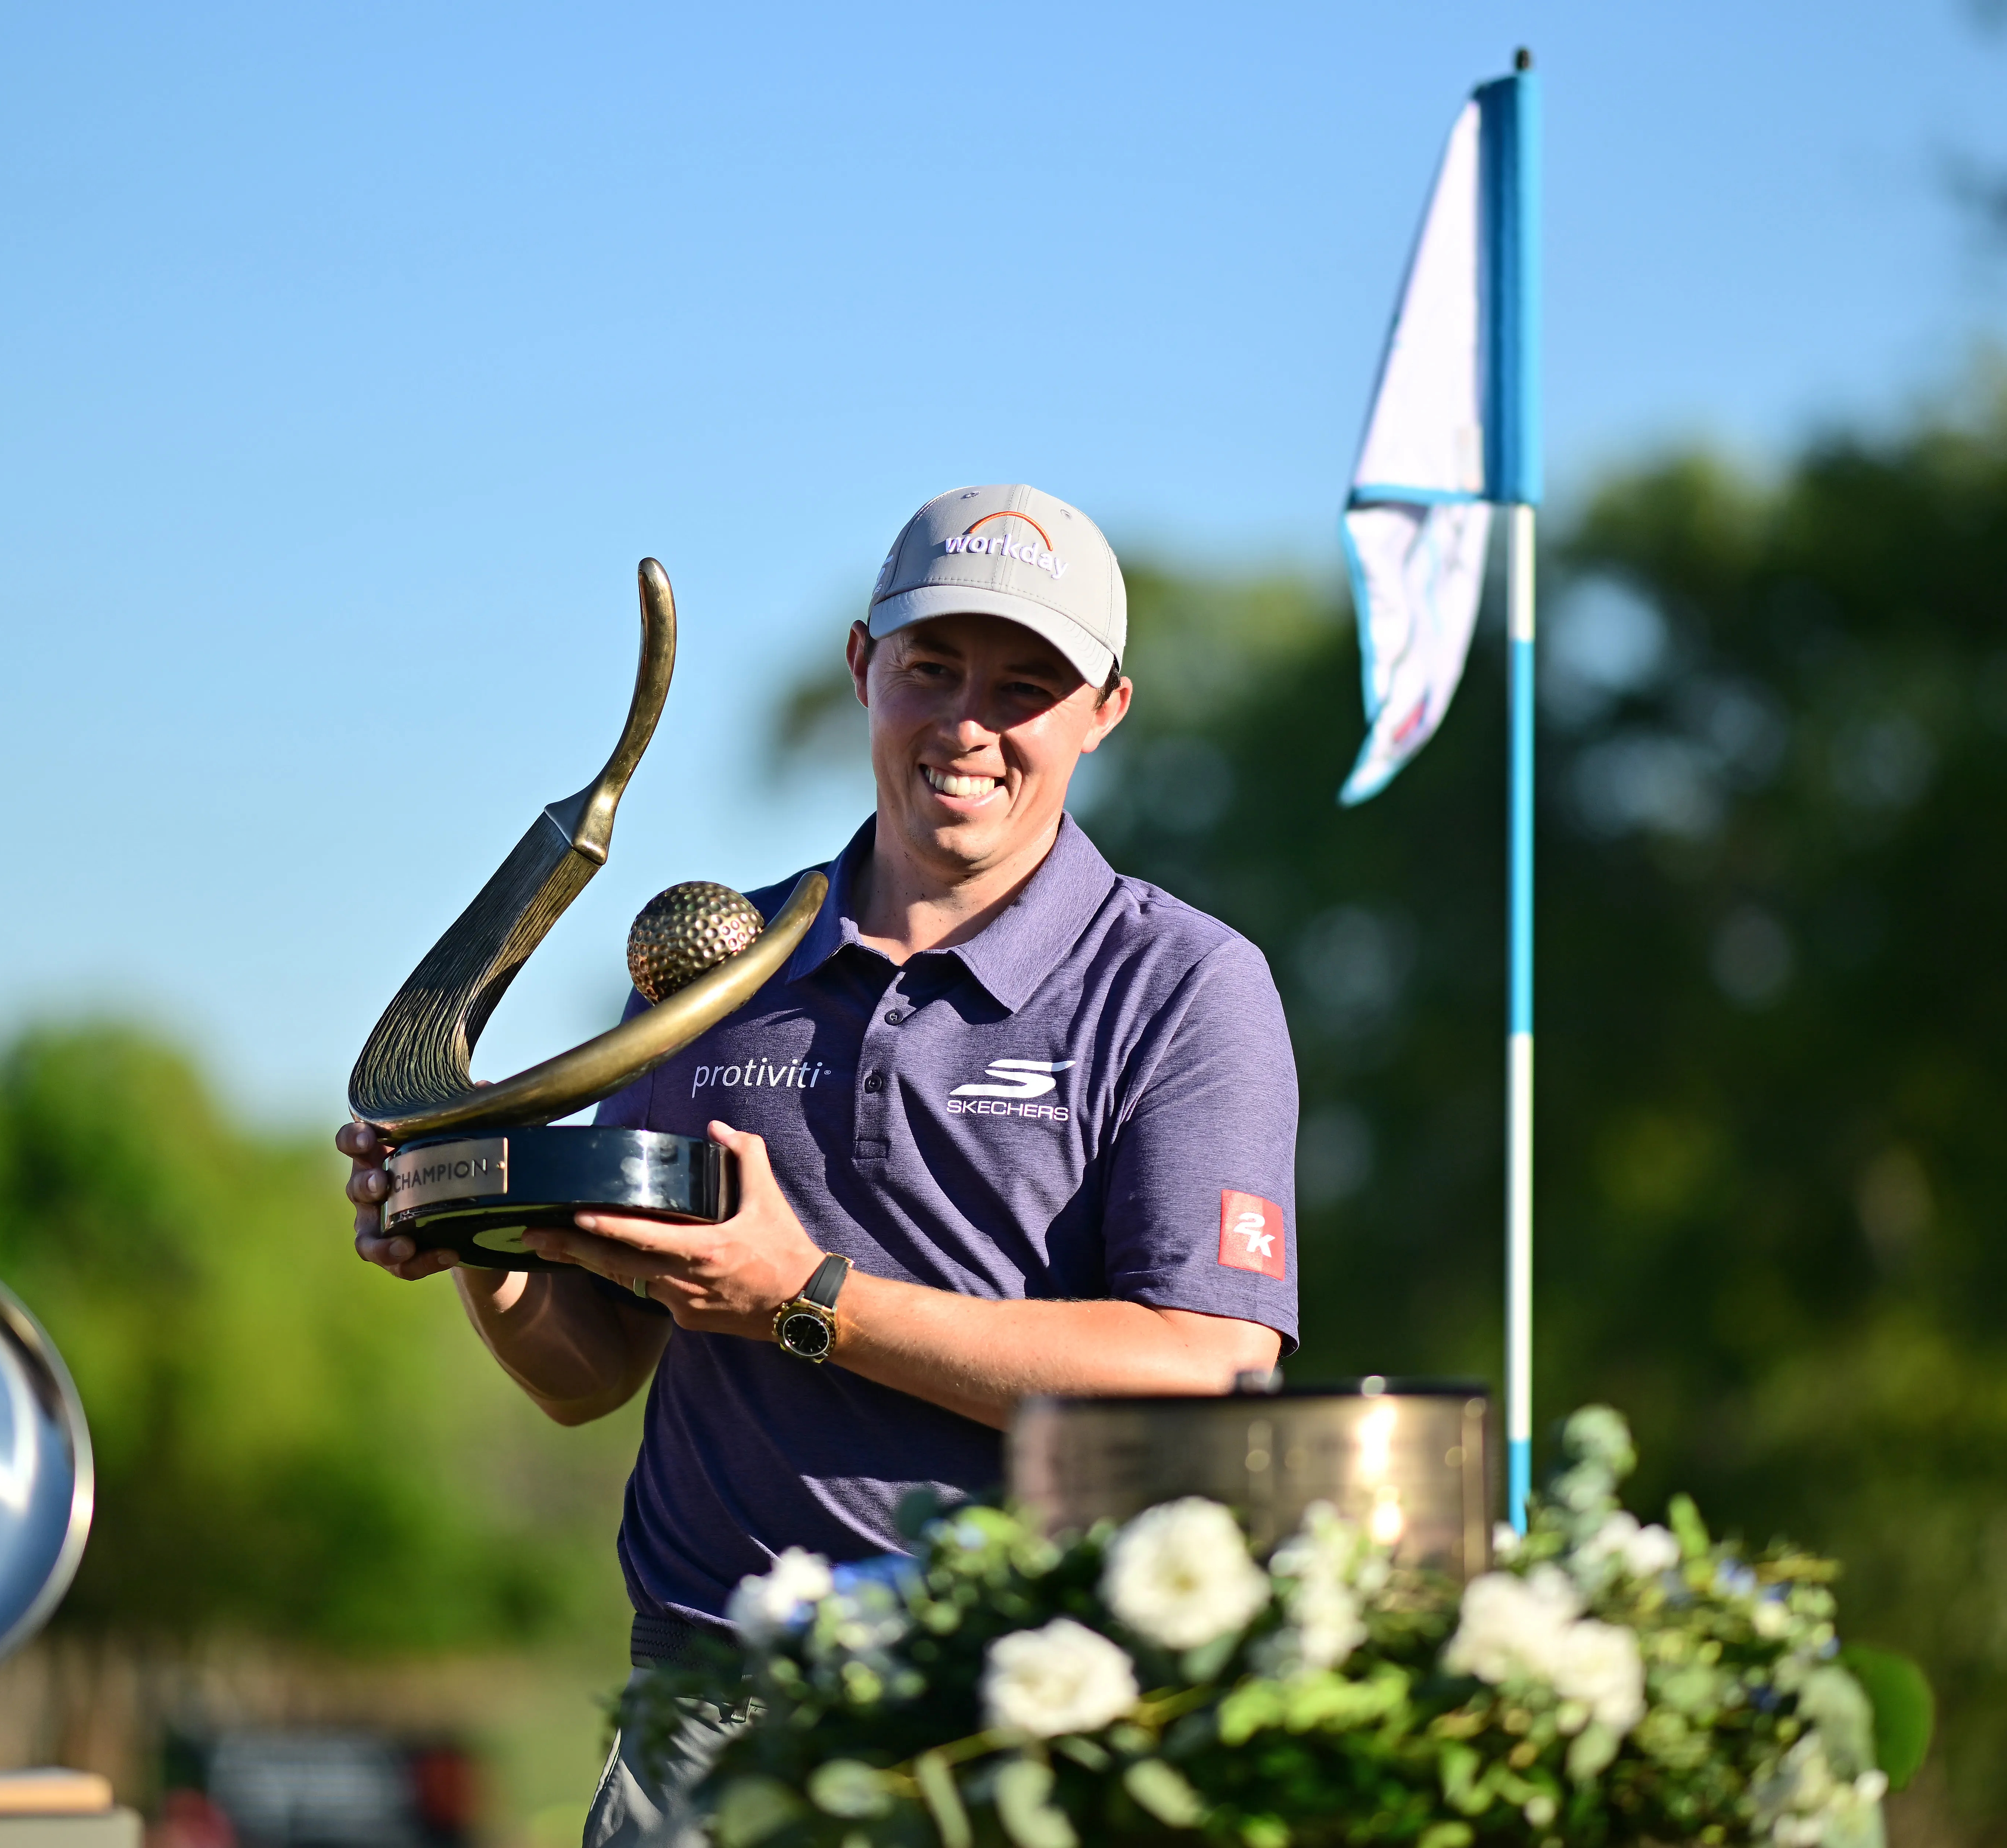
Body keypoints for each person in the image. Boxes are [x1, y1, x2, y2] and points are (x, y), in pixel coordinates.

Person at [338, 483, 1300, 1848]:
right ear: (864, 667)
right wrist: (476, 1247)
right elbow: (591, 1375)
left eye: (1028, 686)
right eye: (931, 669)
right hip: (709, 1720)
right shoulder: (713, 980)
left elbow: (1207, 1368)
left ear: (1105, 711)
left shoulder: (1182, 984)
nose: (969, 725)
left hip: (1029, 1713)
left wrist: (810, 1297)